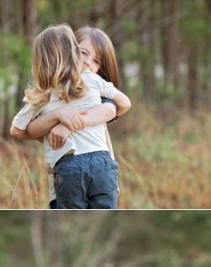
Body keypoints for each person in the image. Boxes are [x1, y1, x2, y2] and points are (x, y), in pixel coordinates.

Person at [10, 24, 131, 208]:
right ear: (69, 51)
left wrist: (68, 124)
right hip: (94, 168)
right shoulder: (52, 91)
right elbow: (24, 131)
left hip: (80, 168)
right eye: (83, 53)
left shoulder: (92, 83)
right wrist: (59, 115)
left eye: (97, 61)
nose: (88, 62)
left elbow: (113, 108)